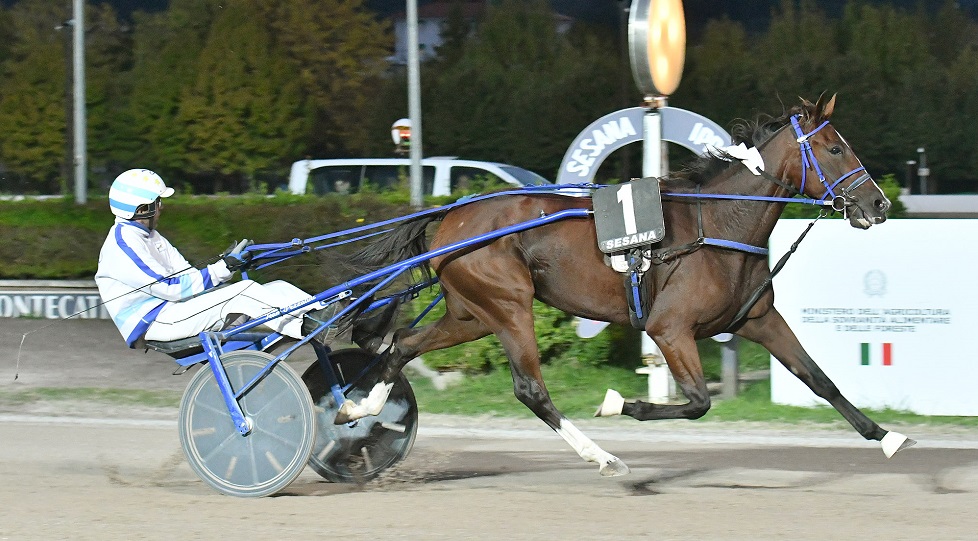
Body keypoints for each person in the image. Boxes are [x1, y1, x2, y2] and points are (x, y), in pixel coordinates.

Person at [95, 169, 337, 348]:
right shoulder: (123, 243)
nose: (162, 208)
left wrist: (228, 265)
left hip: (172, 311)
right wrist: (223, 268)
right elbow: (171, 288)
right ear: (142, 208)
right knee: (244, 291)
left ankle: (326, 311)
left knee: (276, 287)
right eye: (158, 203)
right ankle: (312, 324)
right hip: (154, 322)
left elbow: (187, 275)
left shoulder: (150, 236)